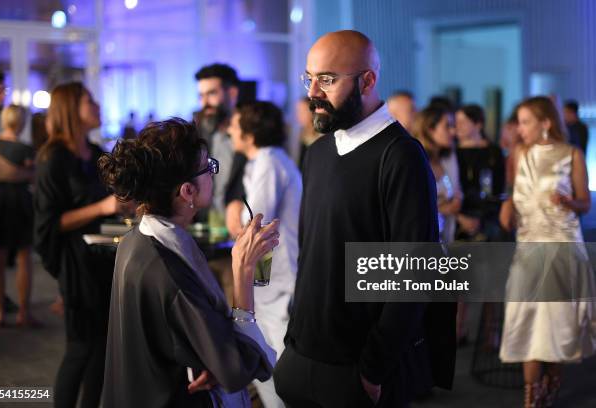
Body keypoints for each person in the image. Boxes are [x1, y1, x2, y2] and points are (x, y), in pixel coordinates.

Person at [273, 30, 456, 408]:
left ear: (368, 81)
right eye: (309, 78)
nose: (313, 93)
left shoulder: (401, 156)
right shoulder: (319, 152)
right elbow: (315, 252)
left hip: (357, 368)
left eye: (327, 79)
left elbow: (414, 273)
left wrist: (374, 369)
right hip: (303, 353)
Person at [99, 117, 278, 407]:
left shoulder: (137, 239)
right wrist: (243, 272)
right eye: (209, 168)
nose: (212, 174)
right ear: (187, 191)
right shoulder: (170, 272)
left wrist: (205, 357)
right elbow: (235, 370)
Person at [499, 96, 596, 407]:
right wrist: (506, 207)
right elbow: (512, 193)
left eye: (526, 121)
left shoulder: (571, 155)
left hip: (563, 244)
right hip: (528, 247)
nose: (520, 128)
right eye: (519, 121)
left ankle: (549, 388)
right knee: (526, 316)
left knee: (556, 322)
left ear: (546, 123)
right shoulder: (518, 153)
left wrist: (567, 202)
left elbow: (585, 202)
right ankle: (531, 397)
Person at [33, 82, 122, 408]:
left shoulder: (97, 153)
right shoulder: (53, 158)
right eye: (89, 100)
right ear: (71, 108)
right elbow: (49, 222)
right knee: (80, 347)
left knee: (102, 348)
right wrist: (103, 208)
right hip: (75, 262)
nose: (97, 105)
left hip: (103, 259)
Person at [227, 101, 302, 407]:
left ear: (250, 133)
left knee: (276, 367)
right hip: (273, 278)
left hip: (278, 279)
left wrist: (233, 211)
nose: (230, 129)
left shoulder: (269, 162)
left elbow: (252, 226)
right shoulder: (266, 160)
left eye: (235, 124)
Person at [0, 105, 37, 327]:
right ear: (21, 122)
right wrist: (22, 174)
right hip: (20, 201)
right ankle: (24, 312)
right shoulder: (25, 149)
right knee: (24, 256)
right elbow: (34, 176)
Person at [194, 63, 247, 224]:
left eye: (211, 93)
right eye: (201, 96)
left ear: (232, 94)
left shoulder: (251, 135)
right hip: (204, 230)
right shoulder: (197, 135)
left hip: (242, 229)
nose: (205, 103)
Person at [454, 104, 505, 242]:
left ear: (478, 124)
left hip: (488, 214)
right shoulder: (452, 152)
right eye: (456, 122)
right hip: (459, 214)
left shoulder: (493, 151)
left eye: (463, 122)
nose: (457, 126)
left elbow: (499, 186)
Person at [412, 105, 462, 244]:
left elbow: (457, 192)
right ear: (430, 129)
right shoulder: (414, 160)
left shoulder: (448, 158)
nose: (453, 131)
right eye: (447, 126)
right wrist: (442, 208)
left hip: (447, 238)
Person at [295, 97, 321, 169]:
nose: (298, 115)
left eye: (303, 111)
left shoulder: (322, 138)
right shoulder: (302, 134)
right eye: (298, 111)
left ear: (313, 112)